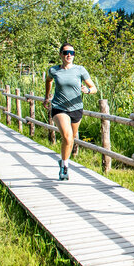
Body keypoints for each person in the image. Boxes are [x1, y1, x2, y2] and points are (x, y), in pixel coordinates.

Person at [44, 43, 97, 180]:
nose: (69, 55)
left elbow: (94, 87)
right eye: (66, 52)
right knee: (67, 137)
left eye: (72, 53)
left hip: (76, 109)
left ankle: (63, 160)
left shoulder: (80, 70)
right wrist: (47, 96)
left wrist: (88, 90)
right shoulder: (54, 70)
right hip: (59, 107)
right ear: (61, 54)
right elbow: (48, 80)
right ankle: (65, 166)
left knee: (70, 139)